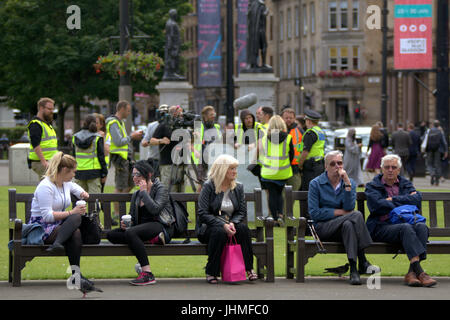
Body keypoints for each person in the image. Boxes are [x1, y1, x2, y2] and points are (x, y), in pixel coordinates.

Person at [365, 154, 436, 287]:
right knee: (406, 228)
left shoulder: (405, 184)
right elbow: (376, 206)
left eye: (394, 167)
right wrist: (404, 202)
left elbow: (416, 200)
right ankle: (420, 272)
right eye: (387, 167)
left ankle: (411, 273)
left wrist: (393, 200)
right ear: (381, 169)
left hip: (405, 226)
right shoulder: (372, 186)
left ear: (399, 170)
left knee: (421, 227)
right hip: (381, 227)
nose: (390, 170)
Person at [308, 150, 373, 285]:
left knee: (349, 225)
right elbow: (315, 213)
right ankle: (363, 259)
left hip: (342, 229)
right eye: (333, 164)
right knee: (356, 215)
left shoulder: (349, 183)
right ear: (326, 166)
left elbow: (349, 207)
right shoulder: (316, 184)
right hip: (323, 228)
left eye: (340, 163)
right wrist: (341, 213)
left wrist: (347, 182)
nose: (337, 167)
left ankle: (354, 269)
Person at [28, 152, 93, 284]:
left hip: (58, 226)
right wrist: (71, 212)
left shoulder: (65, 183)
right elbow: (47, 216)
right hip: (41, 227)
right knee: (75, 218)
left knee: (76, 231)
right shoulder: (45, 187)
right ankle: (59, 246)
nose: (74, 175)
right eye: (73, 172)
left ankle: (75, 275)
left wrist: (82, 192)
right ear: (64, 170)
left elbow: (75, 187)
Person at [107, 160, 174, 285]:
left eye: (137, 174)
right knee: (112, 235)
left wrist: (144, 192)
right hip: (141, 229)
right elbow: (132, 216)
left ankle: (147, 273)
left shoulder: (160, 189)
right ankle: (147, 240)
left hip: (160, 226)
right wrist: (126, 224)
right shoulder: (136, 194)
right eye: (133, 175)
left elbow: (155, 210)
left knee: (131, 234)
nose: (134, 178)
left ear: (148, 175)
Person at [197, 154, 258, 284]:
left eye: (235, 168)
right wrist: (222, 225)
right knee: (219, 232)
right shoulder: (209, 186)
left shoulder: (238, 187)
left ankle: (249, 268)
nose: (235, 172)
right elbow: (202, 213)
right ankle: (211, 271)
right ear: (222, 170)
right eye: (232, 168)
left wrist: (232, 223)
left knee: (243, 229)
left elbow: (241, 211)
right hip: (209, 228)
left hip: (231, 225)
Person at [106, 100, 143, 224]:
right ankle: (117, 213)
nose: (129, 113)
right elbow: (118, 142)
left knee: (131, 183)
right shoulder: (113, 123)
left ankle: (120, 209)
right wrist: (132, 136)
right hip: (120, 159)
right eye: (128, 110)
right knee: (120, 186)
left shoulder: (119, 122)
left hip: (125, 157)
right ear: (121, 109)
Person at [260, 115, 294, 224]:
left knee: (271, 194)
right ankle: (280, 214)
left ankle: (274, 218)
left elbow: (264, 153)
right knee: (279, 193)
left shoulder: (265, 138)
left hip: (268, 172)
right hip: (282, 172)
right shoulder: (288, 138)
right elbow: (291, 155)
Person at [151, 105, 185, 192]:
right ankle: (167, 206)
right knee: (169, 192)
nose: (182, 115)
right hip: (168, 164)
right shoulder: (163, 126)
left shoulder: (182, 126)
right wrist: (161, 140)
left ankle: (181, 206)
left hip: (181, 164)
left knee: (181, 192)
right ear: (174, 114)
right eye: (180, 113)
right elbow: (152, 140)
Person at [72, 114, 108, 194]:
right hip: (94, 173)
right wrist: (104, 173)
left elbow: (74, 156)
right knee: (95, 199)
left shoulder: (75, 137)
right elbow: (101, 157)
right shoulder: (97, 138)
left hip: (79, 172)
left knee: (79, 199)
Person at [27, 97, 58, 179]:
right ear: (41, 108)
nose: (52, 111)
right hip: (41, 162)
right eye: (49, 109)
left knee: (50, 186)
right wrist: (43, 161)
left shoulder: (47, 124)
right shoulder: (35, 124)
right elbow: (35, 144)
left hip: (48, 161)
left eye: (52, 109)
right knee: (50, 186)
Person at [297, 109, 325, 191]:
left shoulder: (310, 133)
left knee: (308, 191)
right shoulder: (319, 131)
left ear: (308, 121)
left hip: (310, 167)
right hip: (319, 165)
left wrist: (300, 165)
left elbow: (305, 152)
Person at [281, 108, 303, 191]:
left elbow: (301, 147)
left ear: (294, 119)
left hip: (294, 167)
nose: (288, 120)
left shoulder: (299, 131)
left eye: (291, 118)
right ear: (282, 118)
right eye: (286, 118)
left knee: (293, 191)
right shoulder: (278, 131)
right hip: (280, 167)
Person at [246, 0, 271, 71]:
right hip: (255, 30)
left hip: (261, 28)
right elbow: (251, 16)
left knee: (264, 46)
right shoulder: (254, 4)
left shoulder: (261, 4)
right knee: (255, 46)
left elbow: (262, 15)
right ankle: (254, 63)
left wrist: (265, 13)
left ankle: (263, 63)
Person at [163, 9, 184, 80]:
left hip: (173, 45)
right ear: (174, 15)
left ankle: (172, 73)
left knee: (173, 59)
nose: (176, 15)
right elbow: (170, 36)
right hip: (174, 46)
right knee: (173, 59)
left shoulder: (169, 23)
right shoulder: (172, 24)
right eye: (176, 14)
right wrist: (171, 47)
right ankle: (172, 73)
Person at [141, 107, 163, 178]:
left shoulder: (170, 125)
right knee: (152, 182)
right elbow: (144, 143)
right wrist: (153, 142)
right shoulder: (152, 125)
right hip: (154, 159)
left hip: (166, 160)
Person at [425, 120, 448, 186]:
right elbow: (444, 142)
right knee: (437, 165)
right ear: (439, 125)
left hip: (429, 150)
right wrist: (446, 151)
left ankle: (432, 174)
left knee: (429, 164)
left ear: (433, 125)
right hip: (437, 150)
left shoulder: (429, 131)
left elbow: (424, 139)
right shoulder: (440, 132)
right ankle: (437, 181)